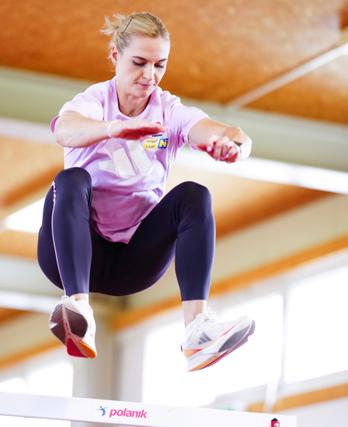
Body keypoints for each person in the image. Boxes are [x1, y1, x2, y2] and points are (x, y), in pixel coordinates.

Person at [38, 11, 254, 372]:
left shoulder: (168, 110)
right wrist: (112, 129)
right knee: (70, 180)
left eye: (159, 65)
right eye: (139, 63)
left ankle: (197, 331)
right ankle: (77, 310)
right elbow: (64, 130)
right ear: (114, 57)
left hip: (134, 263)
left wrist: (230, 145)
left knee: (194, 195)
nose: (149, 76)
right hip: (73, 256)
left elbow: (223, 131)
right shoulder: (92, 102)